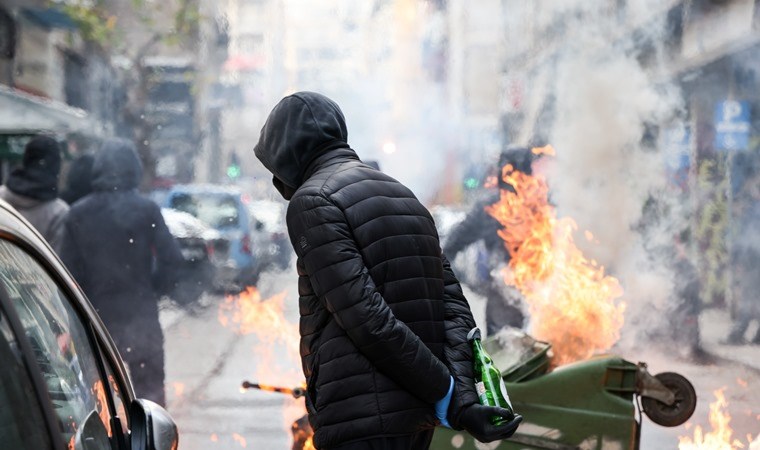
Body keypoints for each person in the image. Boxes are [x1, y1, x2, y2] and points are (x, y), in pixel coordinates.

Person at [253, 91, 521, 450]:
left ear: (286, 157)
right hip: (415, 422)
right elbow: (454, 309)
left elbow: (367, 319)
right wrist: (460, 402)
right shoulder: (405, 196)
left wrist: (449, 394)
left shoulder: (312, 201)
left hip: (359, 419)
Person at [60, 138, 183, 406]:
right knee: (149, 402)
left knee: (97, 402)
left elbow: (67, 276)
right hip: (141, 318)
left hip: (95, 322)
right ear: (134, 170)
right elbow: (172, 261)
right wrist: (151, 289)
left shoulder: (77, 214)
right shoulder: (147, 210)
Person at [443, 147, 539, 335]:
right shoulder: (492, 207)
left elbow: (451, 246)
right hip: (510, 298)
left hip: (533, 296)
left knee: (507, 357)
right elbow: (452, 246)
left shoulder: (538, 205)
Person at [0, 135, 69, 251]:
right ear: (55, 167)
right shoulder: (59, 212)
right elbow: (55, 259)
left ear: (26, 160)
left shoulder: (1, 196)